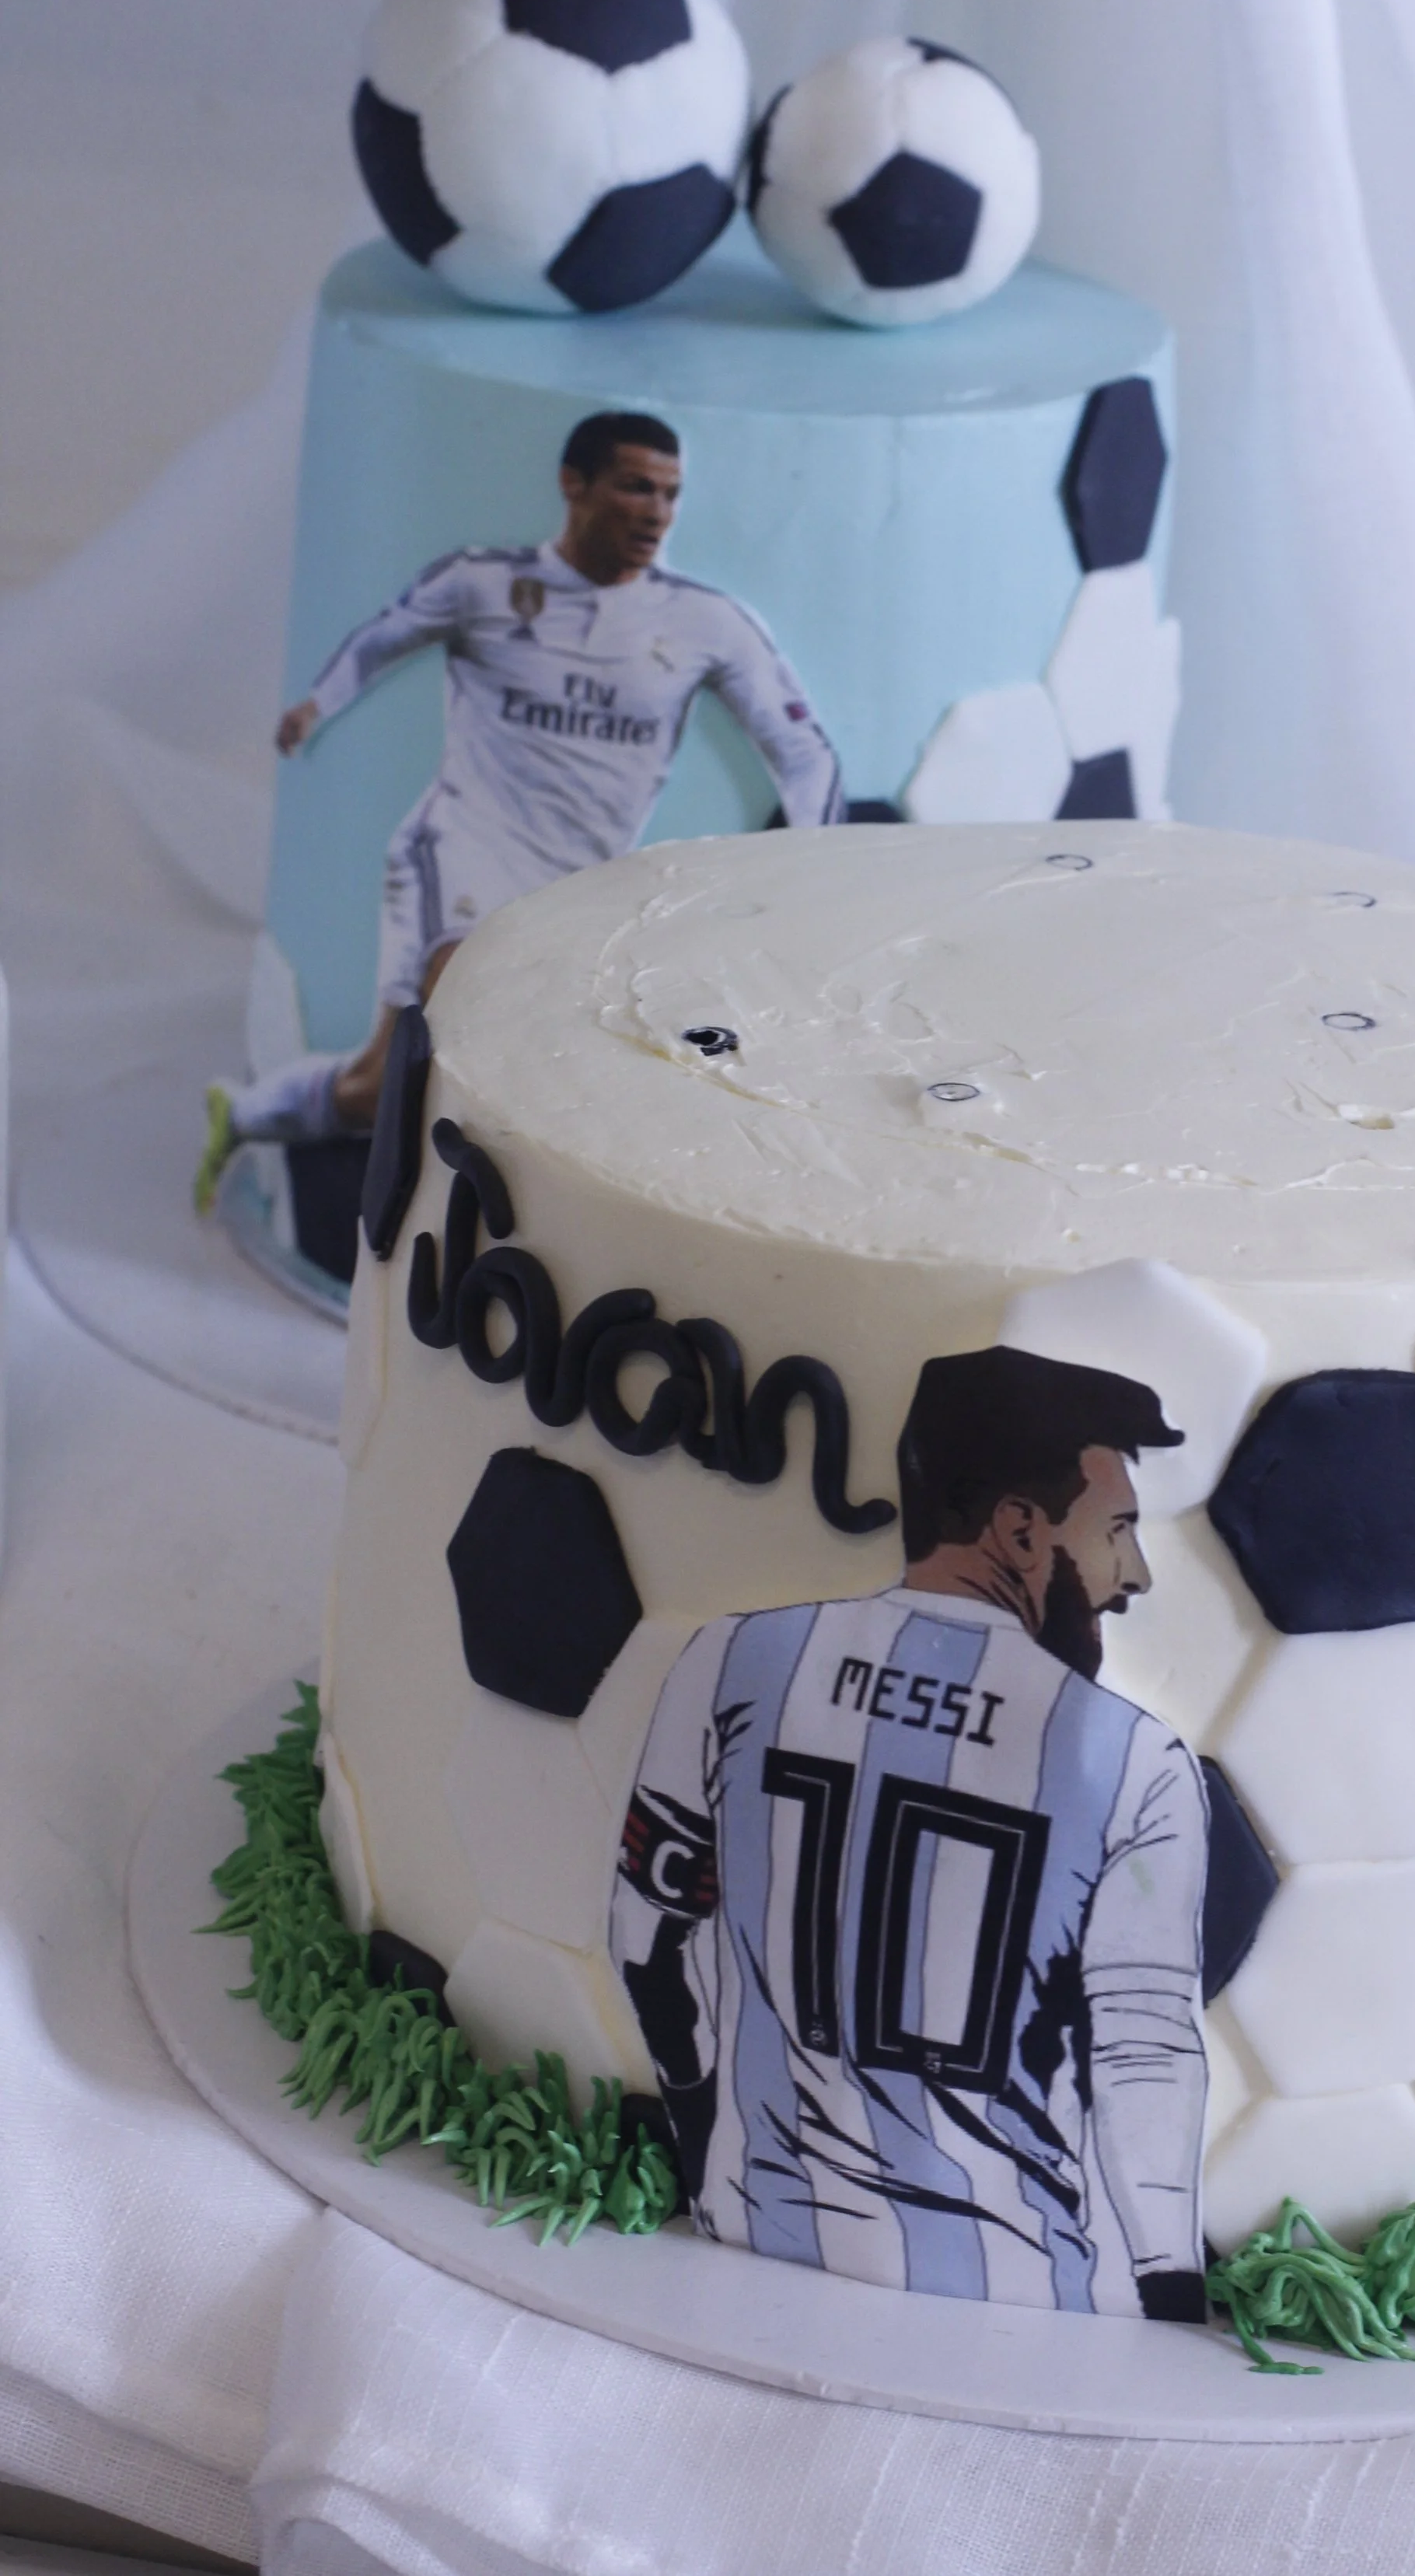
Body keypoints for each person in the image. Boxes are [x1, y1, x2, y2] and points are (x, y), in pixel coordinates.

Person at [609, 1345, 1211, 2322]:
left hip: (754, 2227)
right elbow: (1143, 2051)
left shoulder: (734, 1659)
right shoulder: (1133, 1760)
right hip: (1033, 2291)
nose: (1132, 1574)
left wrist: (695, 2117)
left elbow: (649, 1938)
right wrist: (1173, 2291)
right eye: (1118, 1531)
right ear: (1020, 1530)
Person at [196, 410, 843, 1204]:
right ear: (574, 485)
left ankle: (251, 1113)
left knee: (380, 1087)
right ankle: (424, 1256)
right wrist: (314, 708)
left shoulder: (704, 623)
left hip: (578, 887)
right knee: (455, 1049)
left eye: (670, 494)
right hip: (462, 849)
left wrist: (818, 861)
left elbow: (802, 749)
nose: (656, 512)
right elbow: (381, 638)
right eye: (636, 487)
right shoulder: (484, 584)